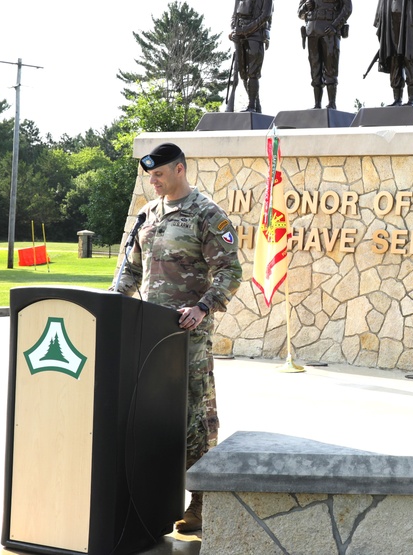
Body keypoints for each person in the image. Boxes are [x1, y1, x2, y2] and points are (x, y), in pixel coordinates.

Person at [112, 142, 243, 533]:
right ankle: (151, 496)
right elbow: (129, 273)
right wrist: (110, 308)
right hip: (147, 336)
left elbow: (230, 272)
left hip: (188, 338)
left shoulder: (207, 214)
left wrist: (203, 307)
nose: (152, 182)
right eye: (150, 176)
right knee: (148, 415)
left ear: (180, 170)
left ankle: (200, 502)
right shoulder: (147, 215)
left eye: (159, 175)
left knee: (194, 420)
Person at [298, 0, 352, 110]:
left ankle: (332, 103)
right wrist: (306, 7)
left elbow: (347, 7)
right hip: (312, 31)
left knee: (330, 67)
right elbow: (299, 12)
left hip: (329, 30)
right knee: (315, 66)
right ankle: (317, 104)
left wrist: (335, 25)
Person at [230, 0, 275, 112]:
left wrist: (246, 30)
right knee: (242, 73)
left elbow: (265, 16)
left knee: (253, 73)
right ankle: (256, 103)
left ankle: (251, 105)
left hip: (255, 36)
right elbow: (234, 15)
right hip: (241, 37)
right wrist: (233, 32)